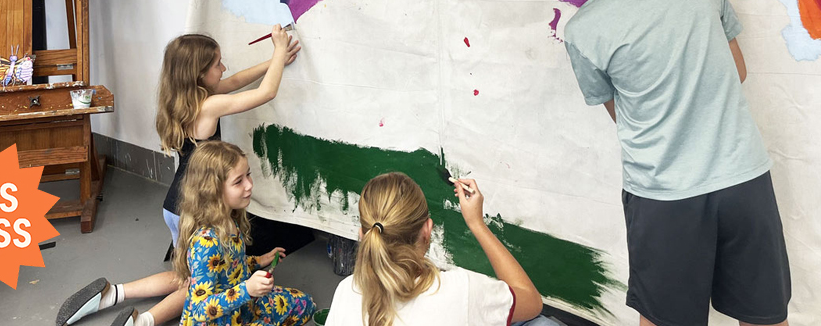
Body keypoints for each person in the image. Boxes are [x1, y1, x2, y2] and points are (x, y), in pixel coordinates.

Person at [542, 0, 790, 326]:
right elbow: (738, 70)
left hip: (663, 196)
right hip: (744, 179)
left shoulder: (583, 31)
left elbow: (623, 114)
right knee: (765, 317)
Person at [56, 27, 301, 326]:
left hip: (175, 204)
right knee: (194, 286)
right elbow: (266, 92)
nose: (224, 69)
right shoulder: (209, 106)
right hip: (196, 207)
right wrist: (278, 49)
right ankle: (143, 322)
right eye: (217, 64)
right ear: (199, 74)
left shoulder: (182, 101)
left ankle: (112, 294)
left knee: (186, 274)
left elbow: (234, 81)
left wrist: (275, 61)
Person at [326, 172, 543, 326]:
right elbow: (532, 303)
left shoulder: (346, 291)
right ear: (427, 230)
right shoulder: (462, 291)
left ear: (363, 234)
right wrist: (477, 224)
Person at [174, 140, 316, 325]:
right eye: (238, 181)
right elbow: (200, 310)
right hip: (220, 319)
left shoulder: (229, 218)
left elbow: (231, 267)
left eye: (247, 175)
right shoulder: (206, 243)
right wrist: (247, 290)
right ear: (213, 191)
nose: (249, 185)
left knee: (304, 304)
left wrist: (259, 261)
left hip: (241, 307)